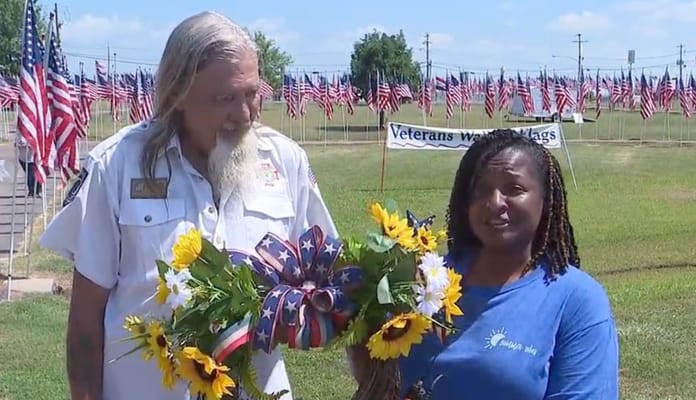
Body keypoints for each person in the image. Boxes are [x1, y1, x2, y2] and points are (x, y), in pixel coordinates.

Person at [39, 11, 337, 400]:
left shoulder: (286, 162)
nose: (245, 115)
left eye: (251, 94)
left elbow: (332, 278)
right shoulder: (116, 166)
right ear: (177, 94)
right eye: (225, 99)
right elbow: (84, 322)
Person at [395, 129, 620, 399]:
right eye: (481, 190)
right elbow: (383, 376)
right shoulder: (423, 281)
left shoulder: (577, 299)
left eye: (514, 189)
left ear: (545, 200)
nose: (494, 202)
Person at [14, 133, 42, 197]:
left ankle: (35, 190)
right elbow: (15, 144)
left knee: (33, 175)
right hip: (23, 159)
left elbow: (37, 145)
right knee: (30, 175)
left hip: (33, 159)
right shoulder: (20, 135)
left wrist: (30, 145)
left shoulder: (33, 133)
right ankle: (33, 191)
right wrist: (22, 145)